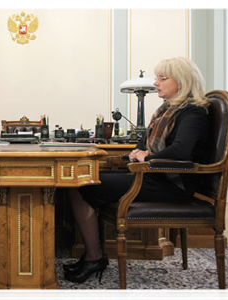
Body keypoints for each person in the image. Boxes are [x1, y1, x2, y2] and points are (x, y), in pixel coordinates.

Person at [63, 57, 210, 283]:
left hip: (172, 185)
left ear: (180, 82)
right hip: (155, 177)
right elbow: (144, 142)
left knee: (83, 184)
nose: (156, 83)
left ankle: (94, 257)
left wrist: (148, 156)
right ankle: (93, 256)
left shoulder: (192, 112)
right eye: (157, 77)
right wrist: (137, 152)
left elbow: (180, 150)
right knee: (83, 180)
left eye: (162, 78)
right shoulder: (166, 110)